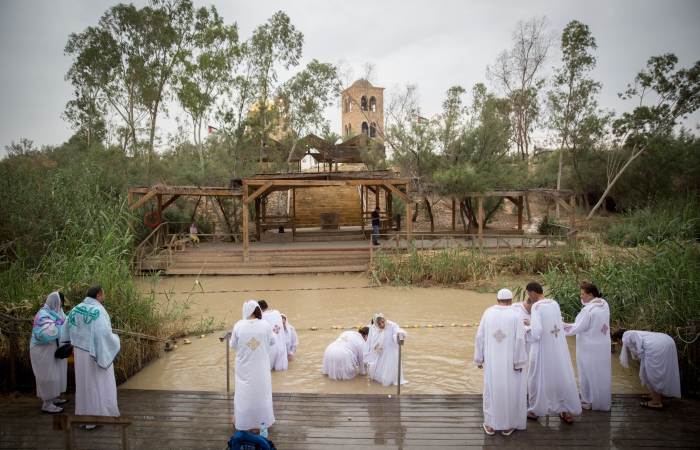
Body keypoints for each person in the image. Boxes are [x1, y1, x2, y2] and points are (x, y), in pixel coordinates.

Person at [60, 285, 121, 419]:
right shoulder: (99, 310)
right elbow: (104, 332)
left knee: (84, 381)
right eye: (103, 294)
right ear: (98, 296)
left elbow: (67, 326)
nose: (104, 296)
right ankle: (99, 413)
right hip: (93, 351)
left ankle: (84, 412)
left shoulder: (76, 308)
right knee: (98, 380)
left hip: (79, 350)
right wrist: (115, 340)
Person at [525, 281, 581, 423]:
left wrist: (527, 327)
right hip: (557, 346)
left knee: (536, 376)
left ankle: (536, 410)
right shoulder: (554, 303)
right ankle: (565, 409)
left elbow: (537, 333)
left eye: (528, 294)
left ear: (532, 293)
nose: (529, 297)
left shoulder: (536, 306)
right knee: (559, 374)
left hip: (542, 348)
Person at [474, 289, 528, 436]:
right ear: (511, 300)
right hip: (510, 360)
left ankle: (491, 425)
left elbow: (480, 336)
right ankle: (507, 426)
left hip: (492, 359)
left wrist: (479, 358)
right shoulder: (517, 313)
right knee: (509, 390)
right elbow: (519, 339)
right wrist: (519, 362)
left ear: (497, 299)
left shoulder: (488, 312)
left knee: (492, 390)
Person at [563, 281, 611, 411]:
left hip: (588, 346)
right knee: (601, 372)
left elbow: (576, 328)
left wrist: (558, 324)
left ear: (590, 295)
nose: (581, 296)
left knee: (587, 371)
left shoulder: (587, 311)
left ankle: (589, 400)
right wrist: (588, 284)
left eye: (583, 294)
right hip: (602, 344)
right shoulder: (604, 304)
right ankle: (601, 399)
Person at [230, 300, 275, 433]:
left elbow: (233, 345)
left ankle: (242, 421)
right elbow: (273, 341)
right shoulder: (265, 325)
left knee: (244, 394)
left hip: (244, 366)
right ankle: (260, 424)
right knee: (261, 393)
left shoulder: (239, 325)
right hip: (261, 366)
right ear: (257, 310)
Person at [613, 329, 681, 409]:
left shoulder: (626, 336)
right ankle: (654, 395)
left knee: (653, 373)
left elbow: (637, 352)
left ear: (619, 339)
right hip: (666, 341)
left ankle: (656, 402)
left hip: (657, 347)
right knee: (651, 371)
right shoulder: (635, 334)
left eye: (618, 342)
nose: (619, 344)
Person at [29, 292, 69, 413]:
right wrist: (60, 324)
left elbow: (67, 321)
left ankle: (53, 397)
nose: (61, 304)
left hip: (52, 349)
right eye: (60, 301)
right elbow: (42, 333)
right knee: (47, 374)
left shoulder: (57, 312)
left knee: (56, 374)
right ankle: (47, 404)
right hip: (42, 350)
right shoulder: (43, 314)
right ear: (55, 301)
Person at [363, 313, 408, 386]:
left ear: (385, 320)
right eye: (379, 323)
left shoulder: (391, 325)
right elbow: (369, 343)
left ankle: (389, 382)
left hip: (389, 352)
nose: (382, 325)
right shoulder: (373, 328)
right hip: (377, 352)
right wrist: (367, 357)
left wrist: (399, 333)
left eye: (383, 322)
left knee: (389, 370)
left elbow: (398, 330)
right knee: (377, 368)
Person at [258, 300, 288, 371]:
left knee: (269, 372)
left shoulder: (262, 317)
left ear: (259, 309)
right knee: (280, 372)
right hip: (281, 347)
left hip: (270, 349)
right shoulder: (277, 313)